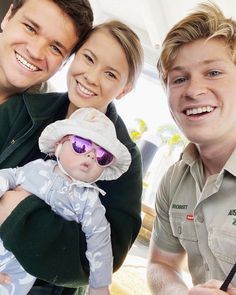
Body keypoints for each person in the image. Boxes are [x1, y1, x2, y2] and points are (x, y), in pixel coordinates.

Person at [0, 20, 144, 295]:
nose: (91, 77)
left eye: (111, 74)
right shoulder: (23, 109)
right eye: (88, 58)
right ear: (74, 56)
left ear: (124, 90)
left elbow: (99, 260)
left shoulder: (124, 159)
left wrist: (14, 210)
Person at [147, 2, 236, 295]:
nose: (193, 90)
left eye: (213, 73)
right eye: (179, 78)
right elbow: (162, 264)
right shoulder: (173, 181)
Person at [0, 107, 131, 295]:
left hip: (20, 272)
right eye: (81, 145)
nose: (91, 155)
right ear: (58, 146)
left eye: (102, 156)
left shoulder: (89, 201)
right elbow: (11, 176)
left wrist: (99, 286)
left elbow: (99, 240)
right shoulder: (37, 168)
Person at [0, 0, 93, 103]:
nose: (35, 53)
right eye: (30, 29)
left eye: (55, 49)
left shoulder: (53, 112)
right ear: (7, 18)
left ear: (64, 63)